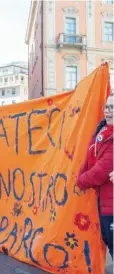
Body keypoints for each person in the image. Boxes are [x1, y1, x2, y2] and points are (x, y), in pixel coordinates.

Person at [77, 93, 113, 259]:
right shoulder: (103, 130)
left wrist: (81, 180)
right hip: (104, 201)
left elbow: (101, 170)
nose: (108, 111)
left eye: (113, 108)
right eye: (107, 107)